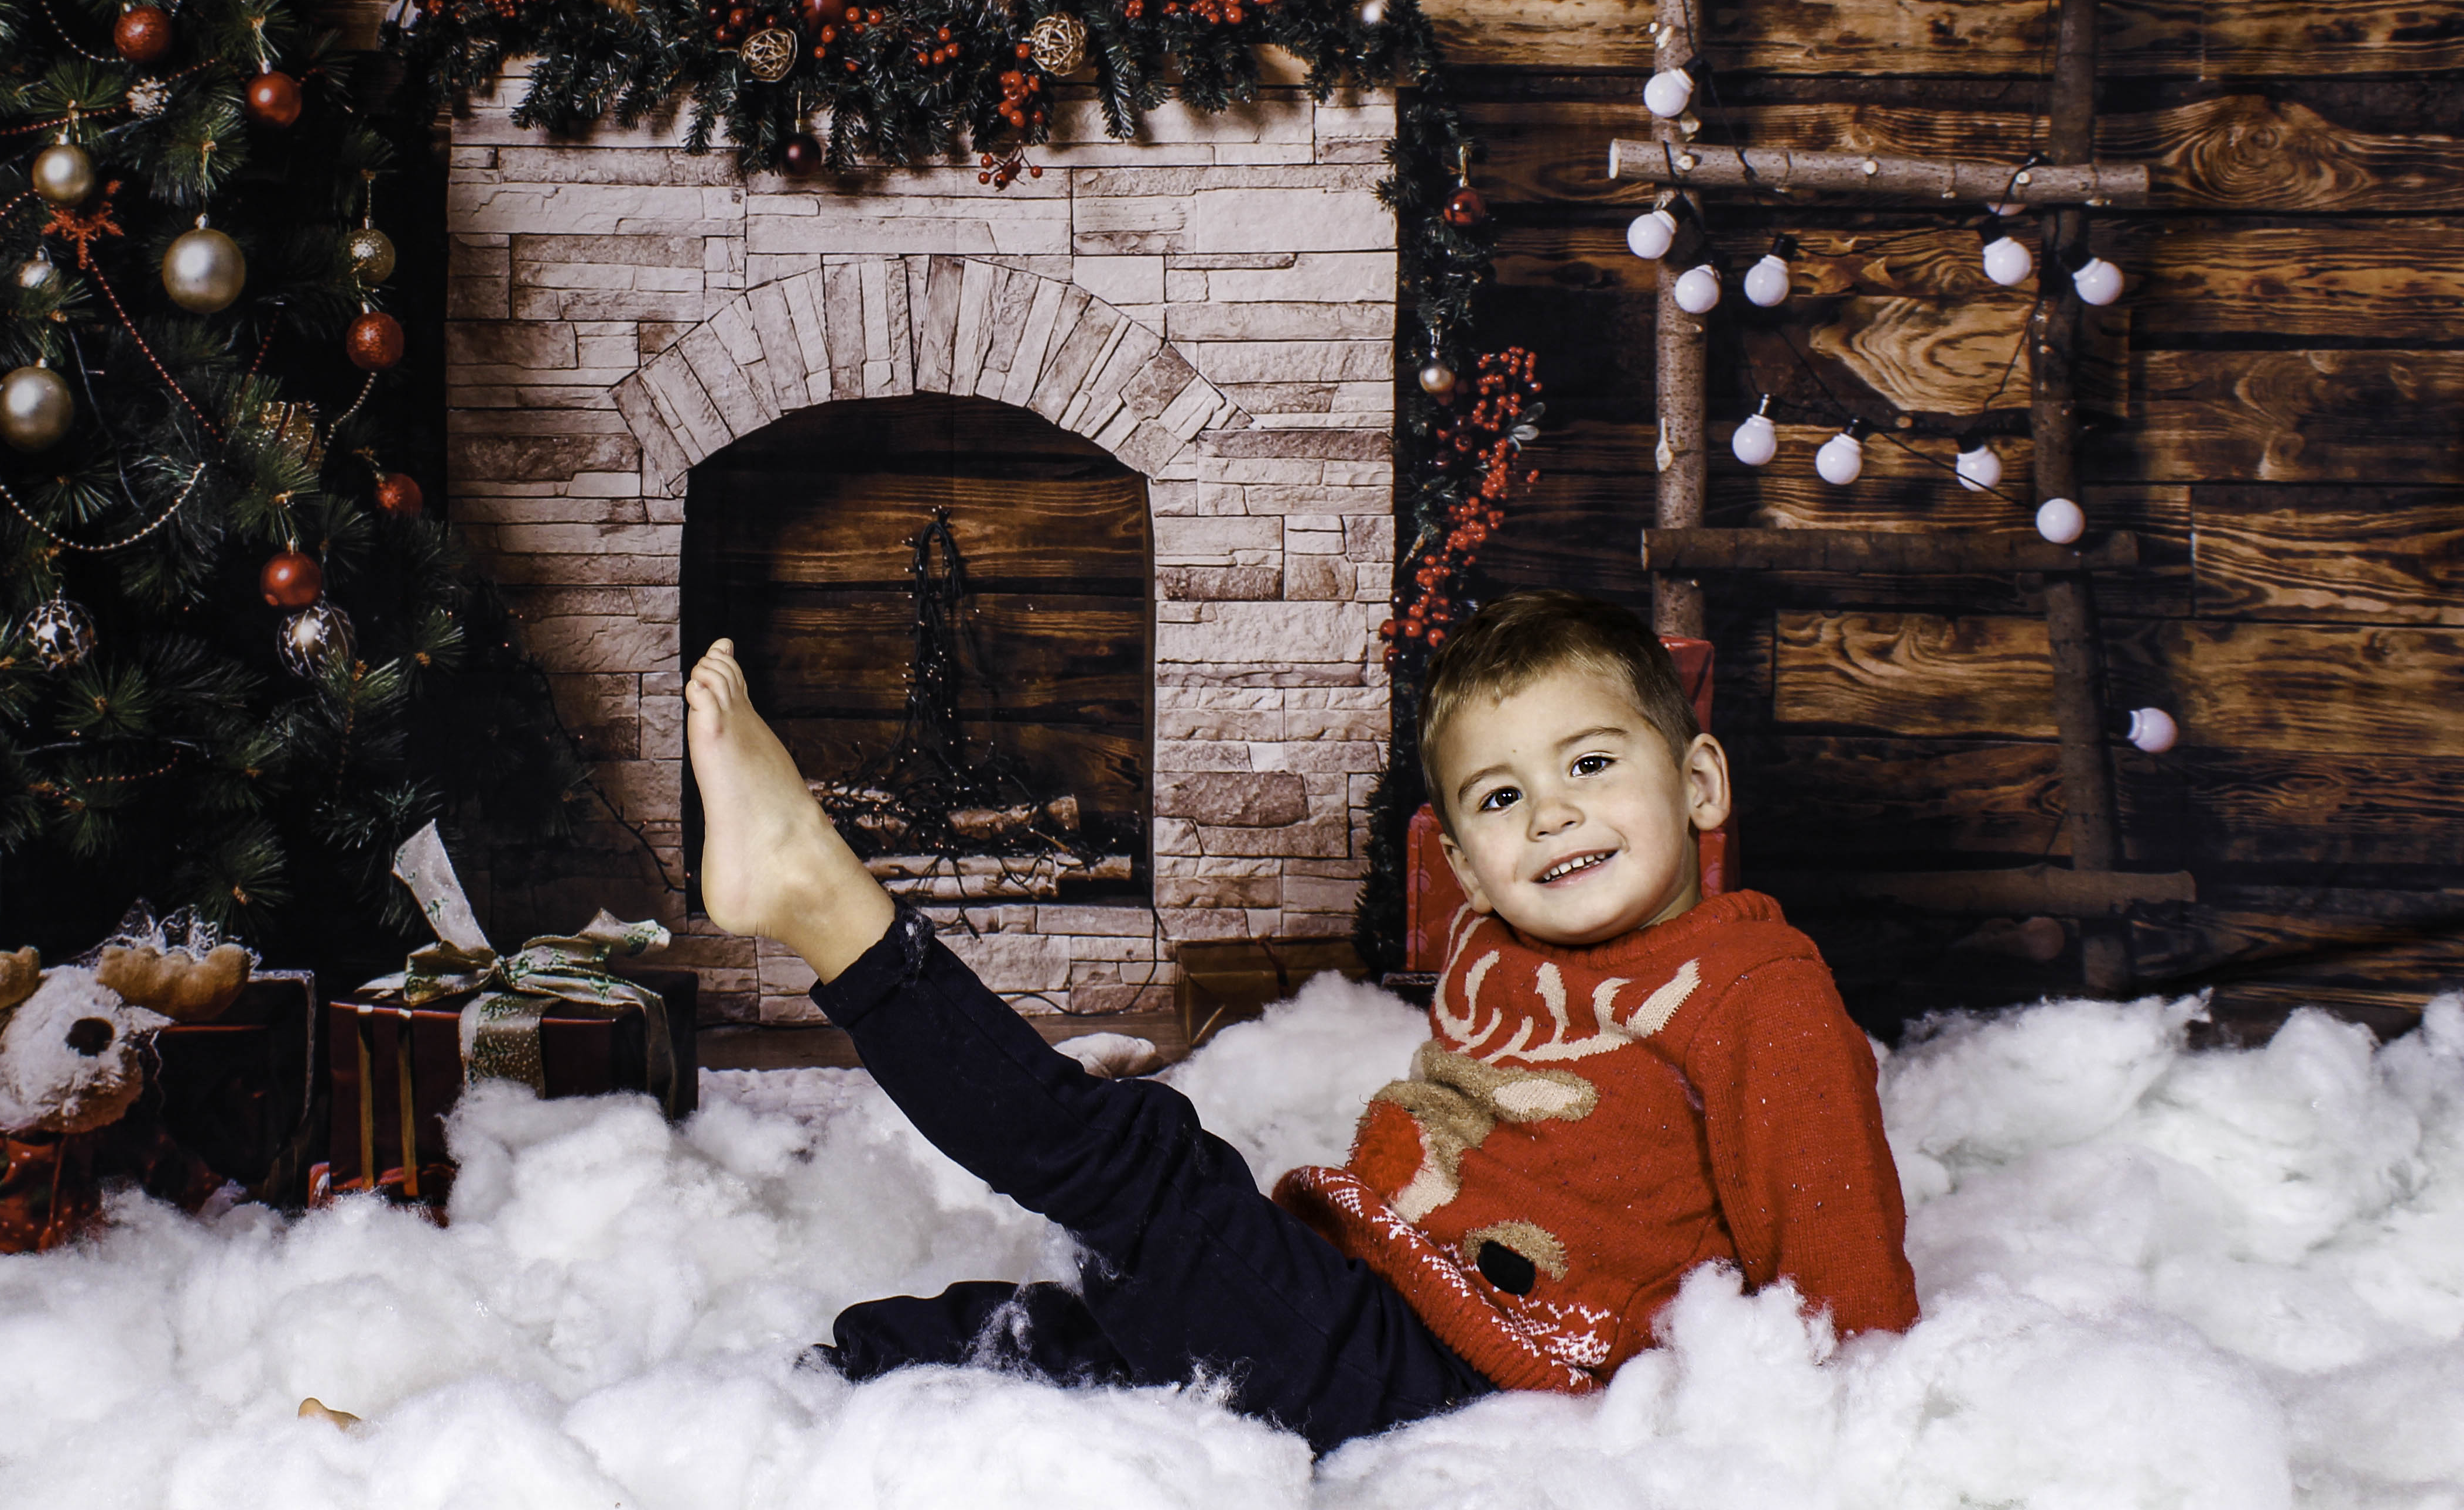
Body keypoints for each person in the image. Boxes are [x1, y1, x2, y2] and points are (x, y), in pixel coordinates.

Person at [684, 588, 1918, 1451]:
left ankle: (820, 898)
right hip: (1348, 1298)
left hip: (1451, 1379)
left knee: (1146, 1171)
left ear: (1697, 782)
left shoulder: (1759, 993)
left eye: (1593, 764)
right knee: (1042, 1335)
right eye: (1504, 795)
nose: (1552, 813)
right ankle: (796, 1410)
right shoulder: (1503, 943)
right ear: (1471, 872)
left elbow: (1844, 1290)